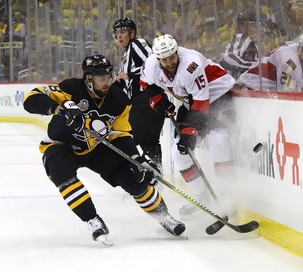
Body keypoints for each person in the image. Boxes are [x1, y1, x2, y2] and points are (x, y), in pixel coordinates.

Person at [23, 54, 186, 245]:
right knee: (61, 173)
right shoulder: (70, 88)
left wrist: (138, 159)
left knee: (132, 177)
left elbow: (121, 134)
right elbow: (30, 99)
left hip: (95, 146)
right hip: (61, 145)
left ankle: (163, 216)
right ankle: (92, 219)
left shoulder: (119, 99)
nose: (107, 82)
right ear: (88, 79)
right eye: (102, 79)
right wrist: (59, 109)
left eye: (109, 77)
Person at [140, 34, 236, 219]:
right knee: (179, 153)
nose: (169, 62)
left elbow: (201, 104)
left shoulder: (190, 65)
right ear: (158, 58)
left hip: (219, 96)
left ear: (177, 52)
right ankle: (203, 198)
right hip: (191, 102)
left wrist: (190, 132)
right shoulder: (151, 65)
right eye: (164, 59)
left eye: (172, 57)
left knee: (219, 140)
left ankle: (227, 197)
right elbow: (145, 84)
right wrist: (159, 101)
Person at [112, 17, 165, 168]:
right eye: (117, 33)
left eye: (123, 32)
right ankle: (155, 179)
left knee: (126, 139)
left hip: (146, 100)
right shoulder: (127, 53)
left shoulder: (137, 43)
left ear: (132, 33)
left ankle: (136, 179)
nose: (119, 36)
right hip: (149, 102)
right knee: (149, 143)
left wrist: (129, 76)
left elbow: (155, 63)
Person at [237, 33, 303, 92]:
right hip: (249, 91)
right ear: (301, 50)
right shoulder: (290, 64)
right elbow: (287, 95)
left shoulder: (295, 49)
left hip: (263, 94)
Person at [219, 11, 260, 79]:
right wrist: (253, 67)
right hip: (229, 83)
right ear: (243, 27)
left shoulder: (253, 45)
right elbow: (228, 58)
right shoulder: (241, 37)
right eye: (255, 26)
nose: (259, 30)